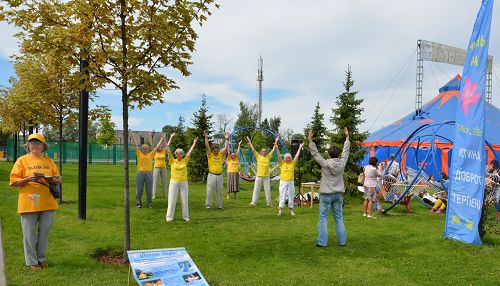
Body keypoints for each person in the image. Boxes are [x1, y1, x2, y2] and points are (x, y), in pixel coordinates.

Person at [9, 133, 62, 270]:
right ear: (28, 146)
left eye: (38, 142)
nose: (35, 144)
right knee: (29, 233)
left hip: (48, 201)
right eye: (32, 142)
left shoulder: (49, 161)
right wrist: (28, 179)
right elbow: (13, 182)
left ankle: (41, 257)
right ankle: (32, 261)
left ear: (44, 145)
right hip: (28, 201)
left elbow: (58, 178)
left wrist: (52, 179)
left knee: (44, 231)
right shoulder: (22, 160)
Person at [308, 128, 350, 247]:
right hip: (338, 194)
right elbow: (346, 152)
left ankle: (322, 242)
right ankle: (342, 241)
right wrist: (347, 138)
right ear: (338, 154)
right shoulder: (342, 163)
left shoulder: (325, 163)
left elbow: (315, 154)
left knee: (323, 218)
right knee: (339, 218)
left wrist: (310, 139)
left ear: (329, 154)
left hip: (326, 194)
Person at [165, 133, 197, 222]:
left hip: (184, 183)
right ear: (176, 154)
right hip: (174, 182)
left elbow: (190, 152)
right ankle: (169, 217)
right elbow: (167, 149)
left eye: (182, 154)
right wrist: (170, 138)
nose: (181, 155)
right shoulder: (172, 160)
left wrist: (194, 143)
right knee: (172, 200)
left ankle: (186, 216)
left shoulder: (185, 160)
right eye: (179, 154)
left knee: (185, 201)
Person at [131, 131, 164, 208]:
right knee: (139, 190)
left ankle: (149, 204)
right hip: (140, 173)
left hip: (149, 173)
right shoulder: (139, 154)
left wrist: (161, 140)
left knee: (149, 190)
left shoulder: (151, 154)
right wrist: (132, 136)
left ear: (148, 149)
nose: (145, 150)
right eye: (144, 149)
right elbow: (135, 145)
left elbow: (156, 147)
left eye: (146, 149)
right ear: (142, 149)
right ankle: (138, 204)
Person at [247, 136, 279, 206]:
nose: (264, 152)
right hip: (259, 176)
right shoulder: (258, 156)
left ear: (266, 152)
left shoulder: (268, 156)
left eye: (265, 151)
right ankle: (253, 202)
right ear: (261, 152)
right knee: (256, 190)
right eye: (263, 151)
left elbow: (273, 150)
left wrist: (276, 141)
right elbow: (253, 150)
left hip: (266, 177)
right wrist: (250, 143)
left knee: (267, 190)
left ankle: (269, 203)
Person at [276, 141, 304, 216]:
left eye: (289, 158)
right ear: (284, 159)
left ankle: (291, 210)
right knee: (282, 195)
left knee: (291, 195)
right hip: (283, 182)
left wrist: (300, 148)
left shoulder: (293, 163)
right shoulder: (282, 163)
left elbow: (297, 156)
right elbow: (278, 155)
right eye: (286, 158)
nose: (287, 159)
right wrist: (276, 147)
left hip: (291, 181)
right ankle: (280, 210)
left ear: (290, 158)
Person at [204, 131, 229, 209]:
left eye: (217, 150)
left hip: (220, 176)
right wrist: (206, 137)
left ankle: (219, 205)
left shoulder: (221, 154)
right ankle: (208, 205)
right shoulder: (210, 155)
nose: (216, 151)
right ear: (212, 150)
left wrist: (227, 139)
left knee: (219, 191)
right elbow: (207, 146)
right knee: (209, 191)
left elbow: (225, 148)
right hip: (211, 175)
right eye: (215, 150)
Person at [152, 135, 168, 199]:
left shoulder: (164, 151)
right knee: (155, 181)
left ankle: (165, 195)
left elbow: (167, 145)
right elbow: (157, 146)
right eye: (159, 147)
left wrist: (167, 139)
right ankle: (154, 195)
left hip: (163, 168)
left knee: (164, 181)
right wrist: (161, 139)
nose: (160, 148)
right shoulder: (155, 152)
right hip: (156, 168)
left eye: (161, 147)